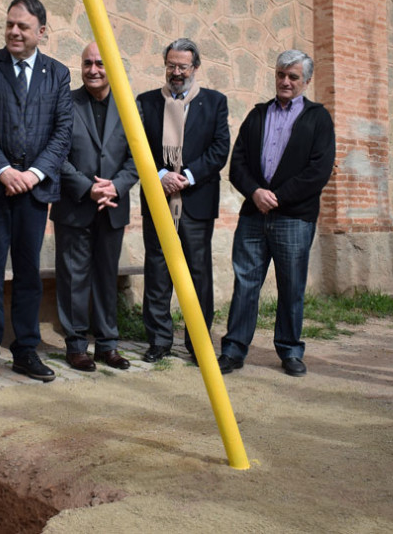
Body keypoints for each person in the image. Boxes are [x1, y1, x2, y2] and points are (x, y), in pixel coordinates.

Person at [0, 0, 72, 387]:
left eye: (23, 27)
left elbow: (62, 130)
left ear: (41, 31)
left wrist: (35, 173)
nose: (14, 32)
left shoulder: (57, 74)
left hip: (34, 192)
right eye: (10, 24)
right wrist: (5, 170)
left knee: (28, 273)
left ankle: (26, 350)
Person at [218, 50, 335, 377]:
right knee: (245, 284)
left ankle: (290, 350)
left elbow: (319, 171)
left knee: (292, 286)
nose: (285, 81)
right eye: (281, 74)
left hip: (294, 218)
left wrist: (277, 198)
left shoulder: (318, 118)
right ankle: (233, 349)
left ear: (306, 81)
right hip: (253, 215)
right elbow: (237, 163)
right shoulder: (257, 115)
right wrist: (255, 193)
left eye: (293, 77)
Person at [136, 38, 230, 363]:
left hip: (196, 200)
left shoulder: (215, 102)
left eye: (183, 67)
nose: (176, 73)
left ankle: (198, 344)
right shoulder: (146, 102)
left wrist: (186, 177)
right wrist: (160, 174)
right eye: (171, 66)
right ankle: (159, 341)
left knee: (198, 274)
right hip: (158, 198)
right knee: (158, 271)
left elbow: (219, 149)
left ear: (195, 67)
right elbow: (138, 147)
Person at [51, 42, 139, 372]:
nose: (93, 70)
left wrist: (115, 186)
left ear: (112, 66)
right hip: (74, 205)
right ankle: (75, 346)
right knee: (73, 278)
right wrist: (88, 188)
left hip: (113, 205)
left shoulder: (130, 107)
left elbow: (138, 157)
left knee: (106, 276)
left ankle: (107, 345)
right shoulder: (65, 103)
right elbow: (57, 154)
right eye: (87, 63)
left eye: (100, 63)